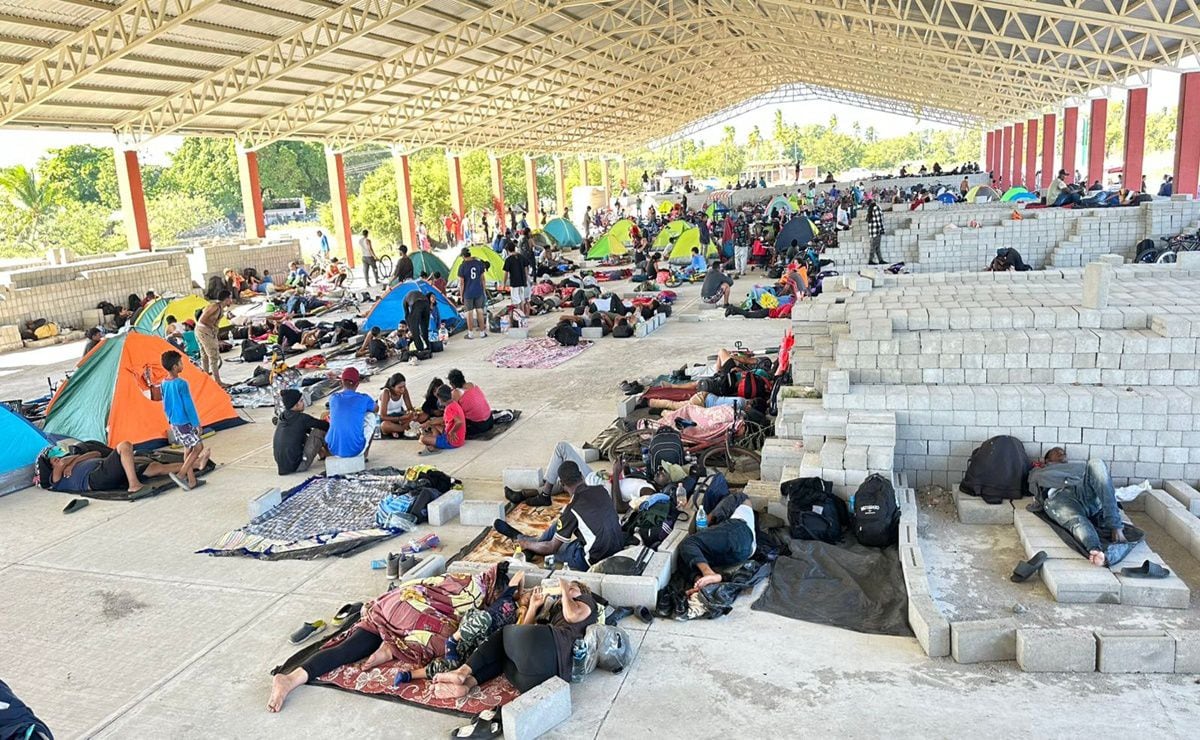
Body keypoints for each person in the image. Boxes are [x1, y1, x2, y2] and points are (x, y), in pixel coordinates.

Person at [267, 566, 506, 713]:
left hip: (385, 609)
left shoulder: (464, 583)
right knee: (444, 640)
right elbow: (465, 601)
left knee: (349, 650)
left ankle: (290, 679)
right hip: (406, 607)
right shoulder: (475, 587)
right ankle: (390, 648)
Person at [431, 578, 597, 699]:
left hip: (554, 652)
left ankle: (462, 672)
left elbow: (572, 615)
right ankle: (467, 684)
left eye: (573, 588)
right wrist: (533, 606)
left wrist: (564, 587)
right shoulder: (556, 612)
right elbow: (523, 630)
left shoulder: (586, 601)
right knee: (505, 654)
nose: (566, 592)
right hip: (536, 679)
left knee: (503, 634)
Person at [492, 461, 622, 571]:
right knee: (561, 524)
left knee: (552, 552)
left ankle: (523, 541)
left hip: (593, 558)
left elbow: (551, 547)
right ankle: (528, 543)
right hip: (616, 546)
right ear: (581, 476)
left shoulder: (572, 509)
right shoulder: (601, 489)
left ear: (562, 484)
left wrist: (526, 544)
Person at [1028, 448, 1133, 567]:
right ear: (1047, 460)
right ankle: (1096, 551)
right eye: (1056, 451)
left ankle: (1115, 526)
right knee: (1076, 519)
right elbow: (1033, 485)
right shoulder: (1040, 470)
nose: (1061, 452)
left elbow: (1099, 480)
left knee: (1096, 463)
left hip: (1083, 492)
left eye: (1063, 452)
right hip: (1059, 497)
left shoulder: (1079, 467)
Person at [678, 493, 756, 595]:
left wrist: (709, 518)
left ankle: (708, 573)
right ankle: (702, 582)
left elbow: (740, 496)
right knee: (685, 557)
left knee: (689, 543)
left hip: (739, 531)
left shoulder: (741, 501)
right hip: (743, 551)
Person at [36, 441, 183, 495]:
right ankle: (134, 485)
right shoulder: (56, 480)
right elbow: (60, 465)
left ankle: (194, 464)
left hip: (103, 470)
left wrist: (73, 462)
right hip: (95, 479)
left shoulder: (71, 464)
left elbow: (95, 453)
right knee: (124, 446)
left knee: (153, 467)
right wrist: (63, 463)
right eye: (53, 460)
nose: (58, 459)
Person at [158, 350, 205, 490]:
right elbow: (188, 405)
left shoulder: (164, 383)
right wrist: (196, 423)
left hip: (174, 422)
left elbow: (165, 403)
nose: (182, 365)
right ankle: (181, 475)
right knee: (198, 447)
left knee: (188, 448)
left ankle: (192, 481)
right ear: (174, 367)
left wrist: (170, 419)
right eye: (180, 363)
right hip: (185, 422)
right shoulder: (181, 383)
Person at [325, 367, 379, 461]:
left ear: (341, 382)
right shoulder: (363, 399)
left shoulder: (333, 398)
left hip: (333, 450)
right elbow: (376, 408)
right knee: (371, 416)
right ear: (357, 384)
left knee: (329, 415)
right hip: (355, 450)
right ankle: (364, 454)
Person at [273, 388, 329, 475]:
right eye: (301, 401)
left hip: (283, 466)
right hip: (298, 465)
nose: (304, 403)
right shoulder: (302, 418)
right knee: (318, 432)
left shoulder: (282, 416)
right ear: (296, 405)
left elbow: (305, 430)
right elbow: (324, 426)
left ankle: (322, 454)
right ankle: (331, 452)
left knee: (302, 433)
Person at [196, 290, 232, 387]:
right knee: (213, 356)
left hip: (204, 331)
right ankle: (217, 382)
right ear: (227, 299)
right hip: (204, 331)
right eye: (230, 298)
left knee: (205, 356)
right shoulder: (215, 307)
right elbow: (203, 319)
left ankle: (206, 379)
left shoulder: (219, 308)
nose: (231, 300)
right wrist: (211, 330)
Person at [417, 385, 465, 455]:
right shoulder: (454, 404)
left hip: (452, 441)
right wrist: (429, 422)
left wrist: (452, 432)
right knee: (433, 426)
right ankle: (435, 442)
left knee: (422, 439)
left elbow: (459, 422)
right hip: (459, 438)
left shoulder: (449, 409)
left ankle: (434, 445)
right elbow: (444, 419)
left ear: (441, 399)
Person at [447, 368, 493, 438]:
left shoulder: (456, 393)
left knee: (452, 423)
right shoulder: (472, 384)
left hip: (479, 426)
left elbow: (452, 410)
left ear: (452, 384)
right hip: (490, 420)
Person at [378, 373, 422, 438]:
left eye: (404, 386)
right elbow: (382, 416)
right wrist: (401, 418)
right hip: (387, 419)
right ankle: (405, 429)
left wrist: (412, 414)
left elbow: (409, 408)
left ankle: (396, 430)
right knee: (385, 426)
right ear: (392, 387)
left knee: (421, 416)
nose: (403, 389)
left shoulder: (404, 390)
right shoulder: (386, 393)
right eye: (400, 387)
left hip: (399, 416)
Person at [457, 247, 488, 339]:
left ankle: (470, 334)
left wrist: (461, 295)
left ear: (463, 256)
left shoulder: (462, 266)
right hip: (478, 291)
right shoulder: (479, 264)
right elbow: (483, 279)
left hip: (468, 292)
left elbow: (462, 283)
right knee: (480, 311)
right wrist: (483, 290)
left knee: (469, 313)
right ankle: (482, 332)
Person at [403, 287, 433, 356]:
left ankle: (420, 349)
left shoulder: (405, 301)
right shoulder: (411, 295)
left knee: (415, 330)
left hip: (417, 303)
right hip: (426, 303)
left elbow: (407, 315)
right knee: (424, 328)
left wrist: (410, 328)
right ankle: (428, 348)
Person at [502, 242, 529, 316]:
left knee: (516, 301)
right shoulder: (521, 256)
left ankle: (519, 317)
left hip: (514, 283)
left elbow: (506, 273)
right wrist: (526, 278)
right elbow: (526, 267)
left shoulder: (508, 260)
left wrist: (503, 284)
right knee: (522, 300)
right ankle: (523, 316)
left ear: (507, 250)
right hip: (522, 281)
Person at [866, 198, 885, 265]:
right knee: (874, 246)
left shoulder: (869, 210)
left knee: (876, 246)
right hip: (877, 230)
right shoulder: (876, 208)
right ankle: (870, 260)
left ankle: (880, 260)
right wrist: (882, 229)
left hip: (872, 231)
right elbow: (879, 220)